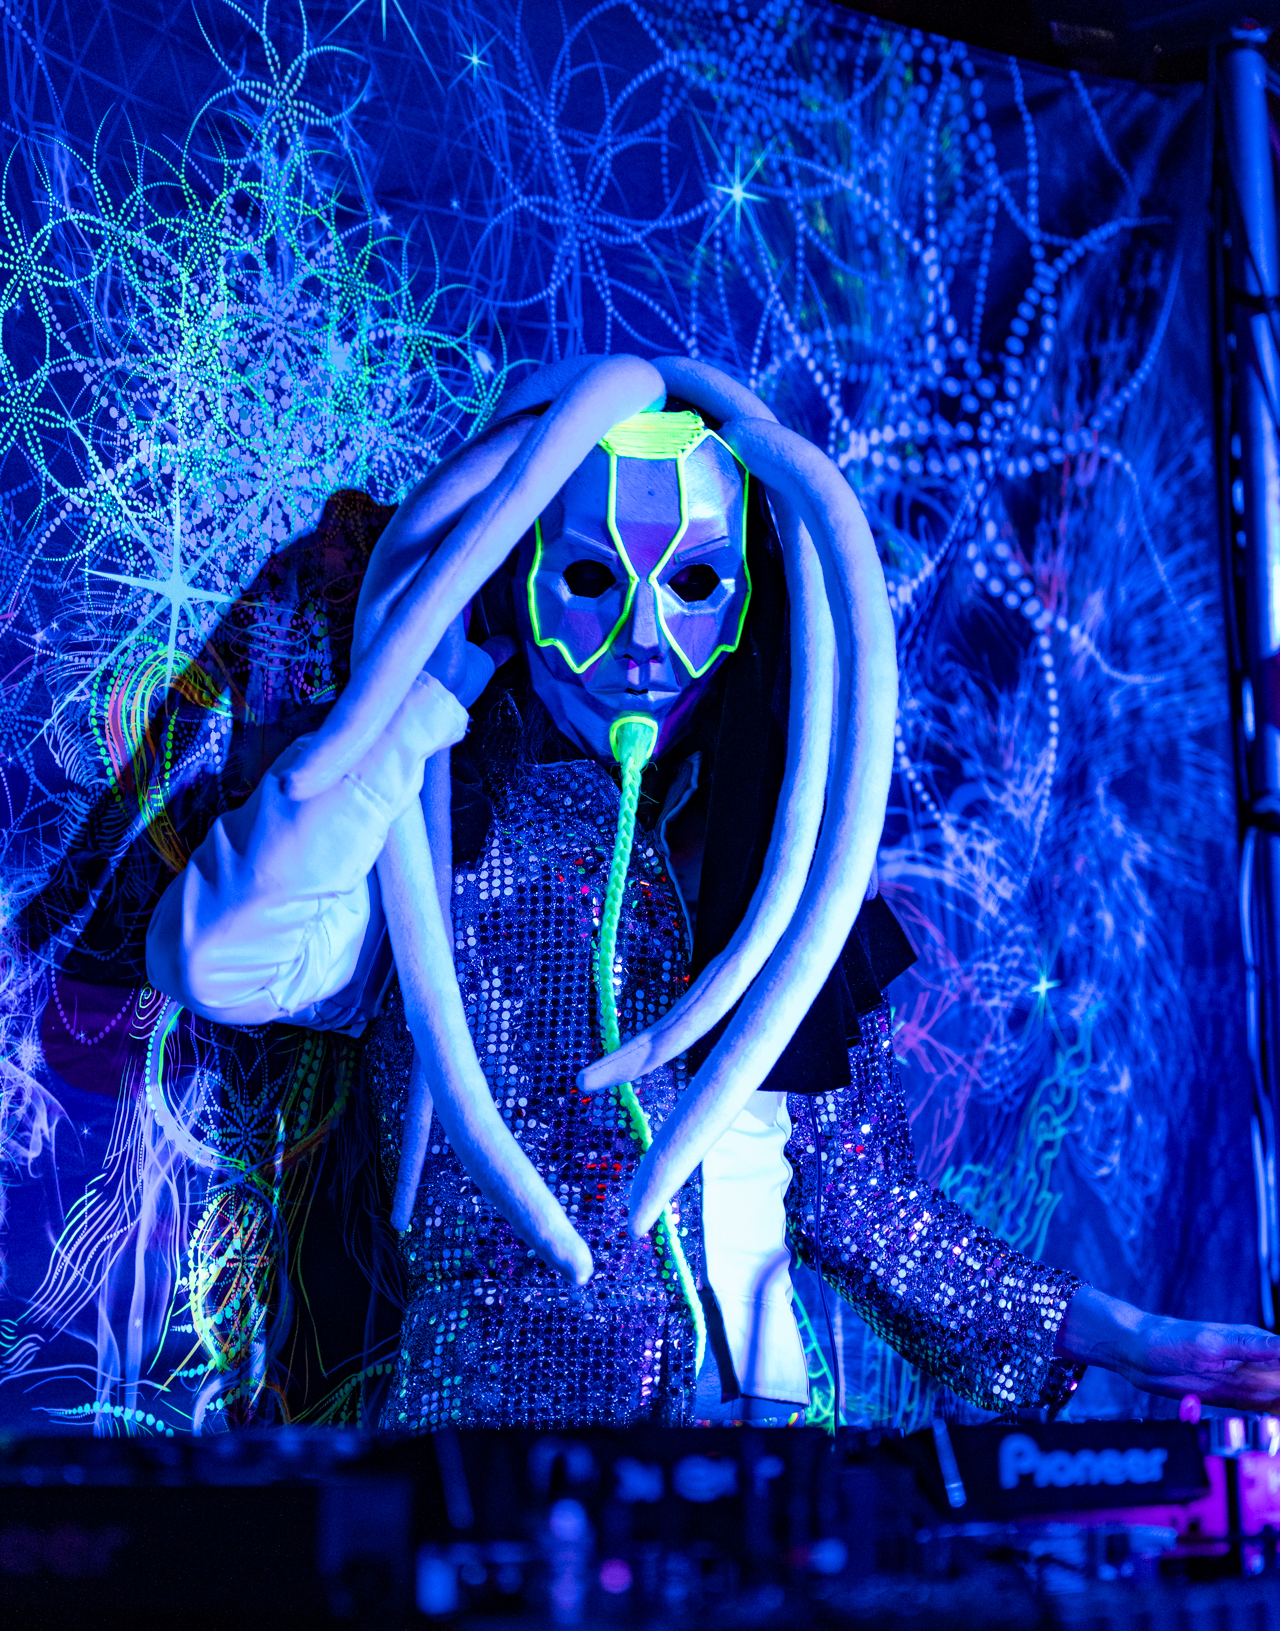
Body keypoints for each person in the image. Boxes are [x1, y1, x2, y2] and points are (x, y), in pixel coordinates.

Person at [146, 354, 1280, 1428]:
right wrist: (407, 715)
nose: (642, 639)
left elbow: (861, 1209)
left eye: (692, 584)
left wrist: (1121, 1336)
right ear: (514, 586)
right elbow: (218, 959)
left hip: (745, 1458)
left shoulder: (781, 884)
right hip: (481, 1457)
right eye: (589, 579)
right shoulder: (432, 850)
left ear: (745, 607)